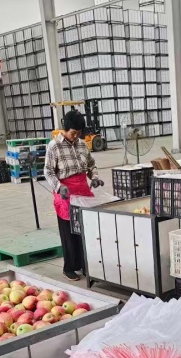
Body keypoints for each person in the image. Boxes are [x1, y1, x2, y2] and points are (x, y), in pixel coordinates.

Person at [44, 109, 103, 281]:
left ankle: (86, 265)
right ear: (65, 129)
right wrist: (58, 186)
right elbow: (48, 171)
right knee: (69, 232)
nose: (76, 136)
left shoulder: (83, 145)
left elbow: (91, 165)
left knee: (85, 230)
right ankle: (69, 267)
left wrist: (95, 177)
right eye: (73, 132)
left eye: (79, 133)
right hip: (65, 193)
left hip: (83, 191)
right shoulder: (54, 146)